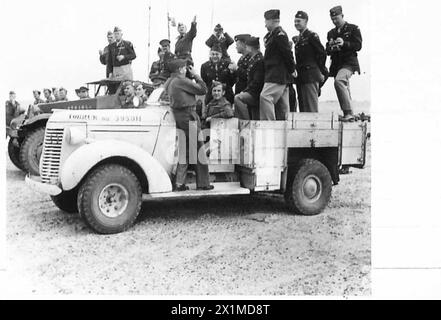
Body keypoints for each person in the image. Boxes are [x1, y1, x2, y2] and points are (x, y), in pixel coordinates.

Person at [164, 59, 213, 191]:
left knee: (184, 151)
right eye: (185, 68)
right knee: (199, 149)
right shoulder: (181, 80)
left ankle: (180, 182)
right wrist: (196, 75)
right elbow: (203, 89)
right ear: (180, 69)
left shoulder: (170, 81)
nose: (186, 70)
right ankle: (204, 183)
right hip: (188, 115)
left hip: (179, 116)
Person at [326, 5, 362, 122]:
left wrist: (344, 43)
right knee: (344, 86)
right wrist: (332, 47)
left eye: (337, 18)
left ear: (342, 16)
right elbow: (327, 50)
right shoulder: (331, 33)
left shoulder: (353, 29)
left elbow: (358, 46)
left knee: (339, 81)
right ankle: (351, 113)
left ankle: (348, 112)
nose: (335, 21)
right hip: (337, 64)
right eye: (333, 19)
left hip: (349, 63)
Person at [259, 9, 296, 121]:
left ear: (272, 21)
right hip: (277, 75)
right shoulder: (273, 35)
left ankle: (269, 125)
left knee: (265, 97)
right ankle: (284, 128)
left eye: (266, 21)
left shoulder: (280, 35)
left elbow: (287, 53)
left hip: (277, 75)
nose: (265, 24)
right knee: (283, 107)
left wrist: (292, 69)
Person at [293, 10, 327, 112]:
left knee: (311, 108)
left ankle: (314, 128)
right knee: (303, 107)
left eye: (299, 21)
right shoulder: (299, 39)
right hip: (302, 77)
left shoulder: (312, 36)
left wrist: (319, 71)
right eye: (295, 21)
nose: (296, 24)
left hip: (311, 76)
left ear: (306, 21)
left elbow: (322, 54)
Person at [234, 36, 265, 120]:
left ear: (251, 48)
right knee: (255, 117)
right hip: (252, 91)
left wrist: (245, 91)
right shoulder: (253, 59)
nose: (245, 48)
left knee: (238, 98)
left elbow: (257, 81)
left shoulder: (259, 60)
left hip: (255, 93)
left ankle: (246, 121)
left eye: (247, 46)